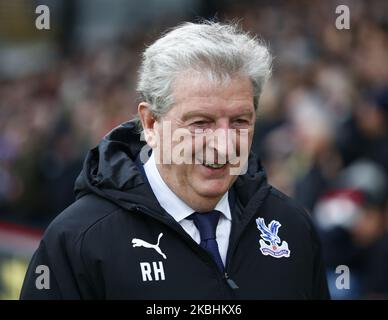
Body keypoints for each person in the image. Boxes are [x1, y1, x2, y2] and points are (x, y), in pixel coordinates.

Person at [20, 21, 330, 299]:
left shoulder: (291, 227)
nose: (224, 146)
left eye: (239, 121)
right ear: (151, 124)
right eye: (200, 123)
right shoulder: (79, 240)